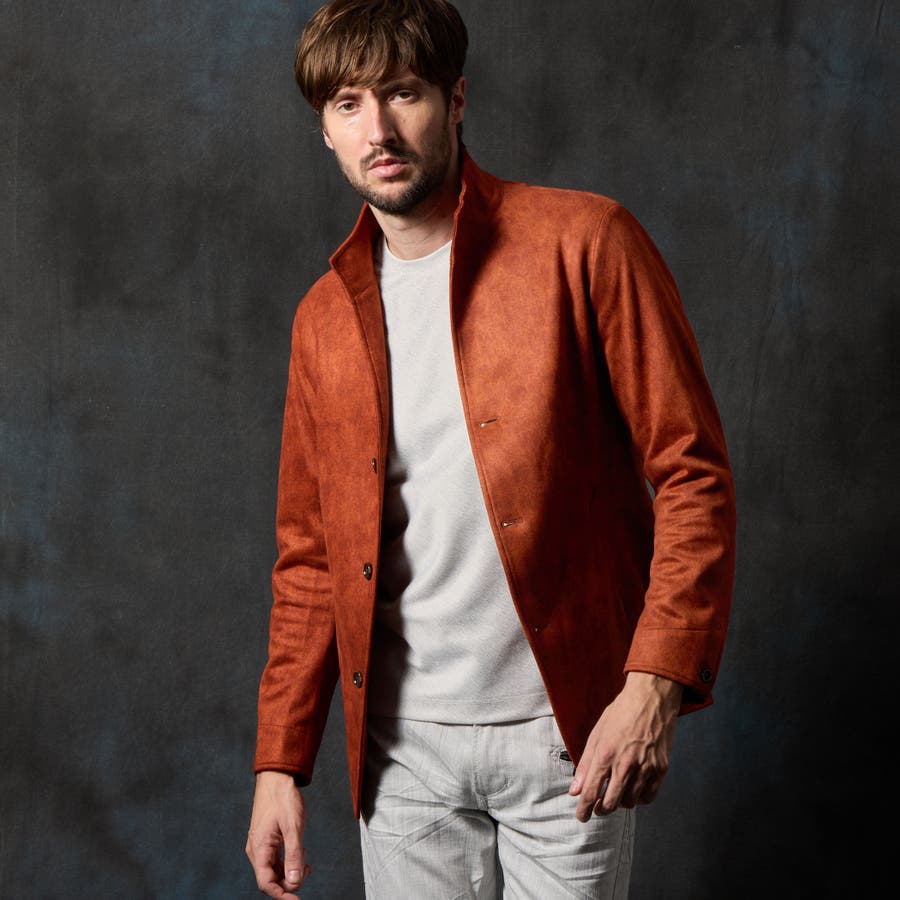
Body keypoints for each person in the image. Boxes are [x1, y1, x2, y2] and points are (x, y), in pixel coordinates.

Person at [246, 1, 736, 897]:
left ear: (457, 99)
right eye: (349, 104)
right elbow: (311, 557)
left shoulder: (586, 242)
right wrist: (280, 762)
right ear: (325, 129)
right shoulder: (323, 318)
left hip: (565, 738)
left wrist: (654, 682)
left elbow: (691, 474)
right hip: (400, 758)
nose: (379, 129)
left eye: (403, 93)